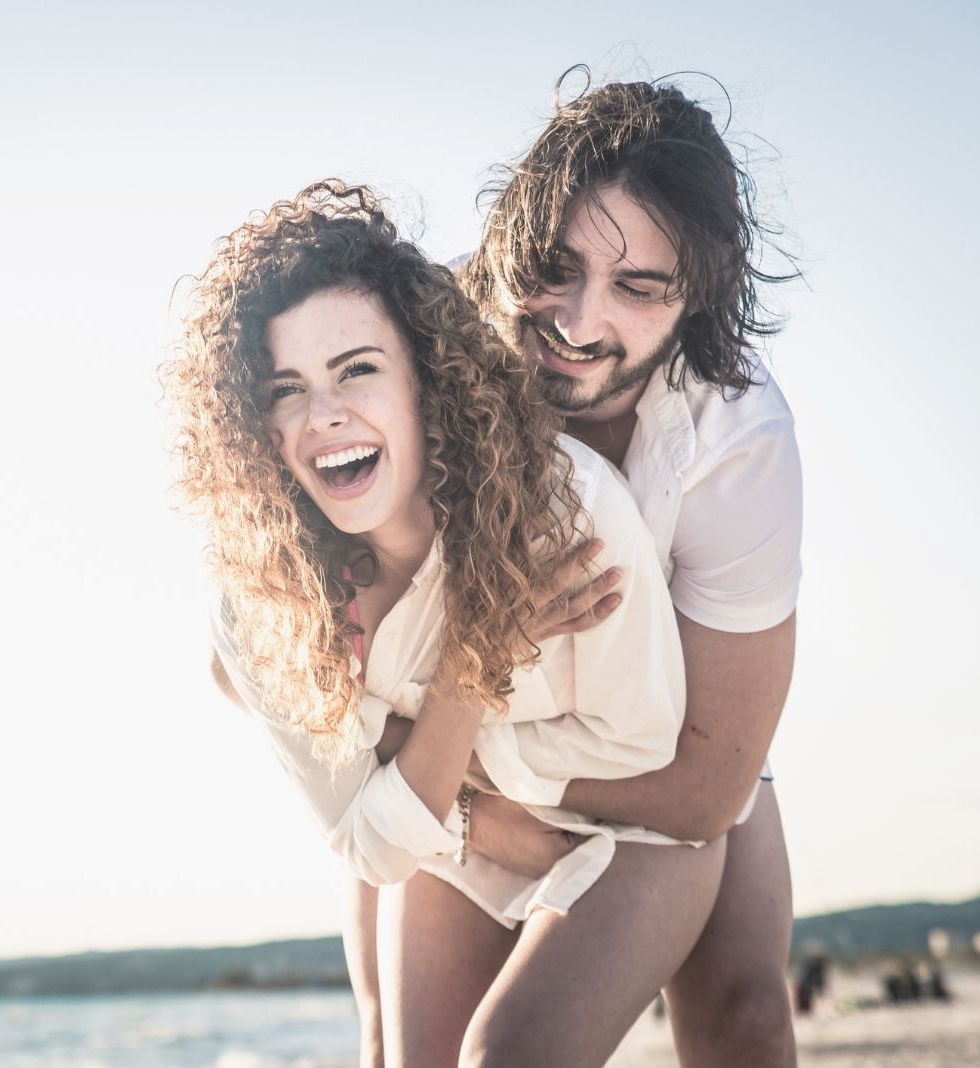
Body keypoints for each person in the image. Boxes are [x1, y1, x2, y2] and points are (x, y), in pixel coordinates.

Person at [170, 180, 728, 1067]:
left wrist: (425, 752)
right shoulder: (262, 599)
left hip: (631, 835)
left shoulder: (565, 516)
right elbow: (371, 844)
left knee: (507, 1056)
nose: (325, 415)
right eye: (287, 389)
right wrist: (473, 671)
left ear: (427, 380)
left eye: (357, 369)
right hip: (453, 837)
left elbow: (642, 747)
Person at [345, 73, 805, 1067]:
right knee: (402, 1048)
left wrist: (503, 789)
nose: (579, 322)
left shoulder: (738, 437)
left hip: (649, 751)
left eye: (639, 287)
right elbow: (290, 667)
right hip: (445, 745)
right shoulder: (407, 354)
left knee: (743, 1014)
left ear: (697, 297)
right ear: (506, 242)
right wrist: (469, 808)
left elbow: (706, 783)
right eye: (552, 268)